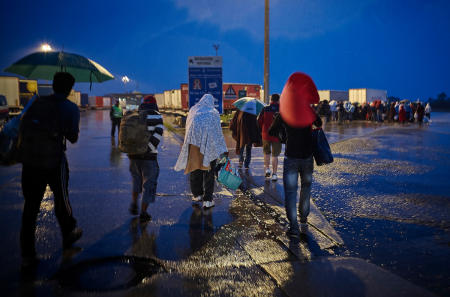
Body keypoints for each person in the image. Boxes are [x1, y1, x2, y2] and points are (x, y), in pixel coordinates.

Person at [19, 72, 82, 268]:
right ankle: (68, 235)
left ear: (53, 85)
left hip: (30, 163)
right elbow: (73, 138)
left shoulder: (35, 103)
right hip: (55, 162)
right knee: (62, 200)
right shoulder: (70, 108)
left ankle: (28, 253)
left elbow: (22, 125)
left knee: (30, 207)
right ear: (70, 89)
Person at [269, 72, 322, 237]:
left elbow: (272, 131)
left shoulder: (284, 113)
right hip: (307, 157)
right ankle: (303, 218)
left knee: (291, 193)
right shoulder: (308, 111)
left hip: (291, 157)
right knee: (306, 189)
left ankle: (293, 227)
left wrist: (283, 136)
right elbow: (319, 123)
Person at [174, 94, 227, 209]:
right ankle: (207, 201)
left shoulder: (193, 110)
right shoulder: (214, 112)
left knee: (195, 169)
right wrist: (222, 148)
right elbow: (217, 132)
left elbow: (188, 127)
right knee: (209, 173)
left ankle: (197, 195)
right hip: (210, 146)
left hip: (194, 144)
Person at [128, 95, 163, 222]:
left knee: (136, 180)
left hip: (133, 155)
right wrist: (147, 149)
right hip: (149, 156)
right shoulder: (156, 116)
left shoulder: (135, 115)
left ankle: (133, 202)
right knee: (148, 183)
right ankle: (143, 212)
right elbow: (158, 135)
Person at [257, 94, 281, 181]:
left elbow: (259, 122)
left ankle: (267, 169)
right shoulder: (281, 109)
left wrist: (260, 132)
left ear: (271, 100)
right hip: (277, 136)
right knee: (275, 155)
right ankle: (274, 174)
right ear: (278, 100)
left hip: (265, 135)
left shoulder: (265, 108)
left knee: (266, 153)